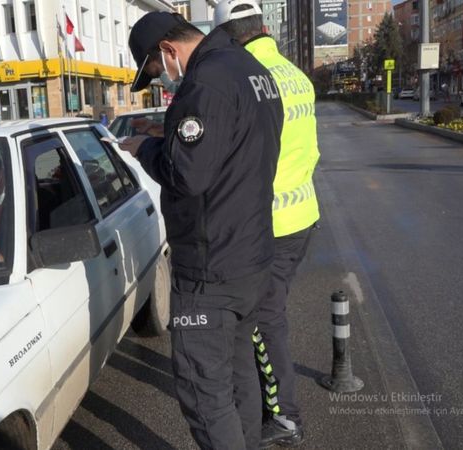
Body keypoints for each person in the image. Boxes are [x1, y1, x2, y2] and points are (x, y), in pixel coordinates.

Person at [120, 12, 284, 449]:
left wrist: (147, 147)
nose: (162, 81)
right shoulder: (251, 70)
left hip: (211, 267)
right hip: (251, 254)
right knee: (237, 376)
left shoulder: (204, 82)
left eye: (156, 72)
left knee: (204, 392)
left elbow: (187, 175)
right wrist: (168, 132)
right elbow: (230, 147)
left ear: (168, 51)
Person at [214, 1, 321, 447]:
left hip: (270, 225)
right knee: (268, 316)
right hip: (302, 215)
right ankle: (272, 405)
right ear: (262, 27)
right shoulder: (294, 74)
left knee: (263, 320)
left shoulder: (246, 78)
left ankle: (284, 417)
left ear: (228, 35)